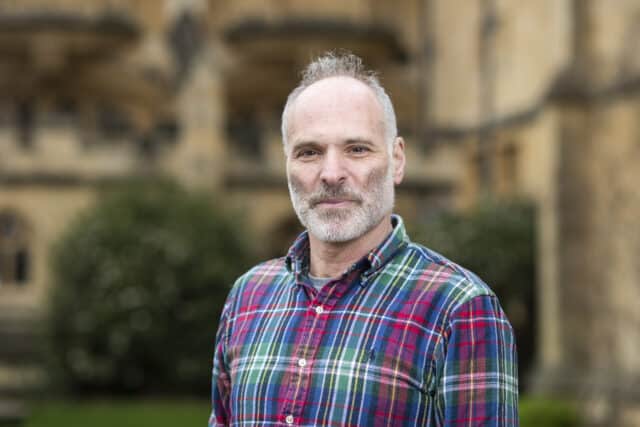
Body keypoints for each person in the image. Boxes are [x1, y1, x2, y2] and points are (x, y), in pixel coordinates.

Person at [210, 51, 518, 426]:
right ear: (286, 164)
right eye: (309, 152)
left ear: (397, 160)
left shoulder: (459, 307)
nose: (331, 173)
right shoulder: (248, 296)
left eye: (357, 149)